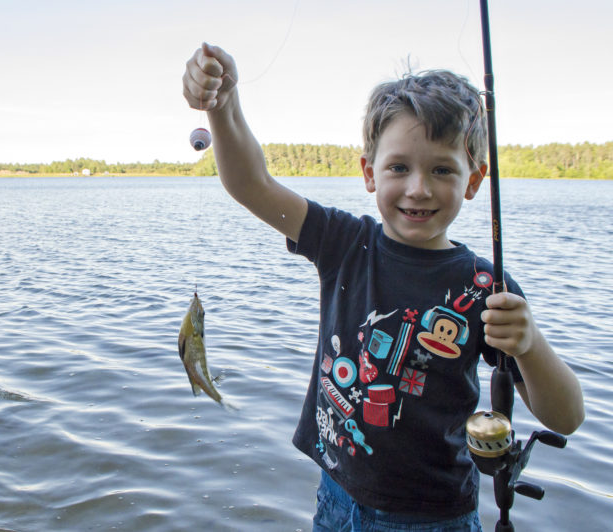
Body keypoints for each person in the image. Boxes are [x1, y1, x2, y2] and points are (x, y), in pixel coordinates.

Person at [182, 43, 584, 531]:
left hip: (432, 519)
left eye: (442, 170)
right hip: (336, 500)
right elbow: (250, 183)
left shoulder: (485, 288)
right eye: (399, 168)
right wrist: (223, 106)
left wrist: (530, 344)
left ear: (473, 180)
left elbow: (566, 417)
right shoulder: (342, 243)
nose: (419, 188)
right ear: (369, 173)